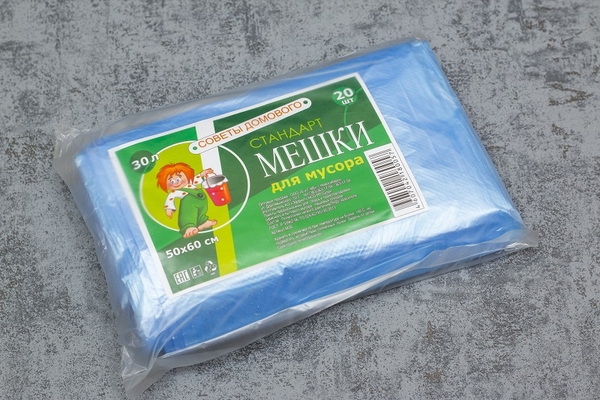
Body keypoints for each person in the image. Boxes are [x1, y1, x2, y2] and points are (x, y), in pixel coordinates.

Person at [156, 162, 217, 238]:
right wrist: (169, 208)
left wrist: (202, 174)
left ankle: (203, 222)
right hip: (188, 204)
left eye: (178, 179)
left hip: (201, 201)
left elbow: (196, 179)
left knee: (201, 212)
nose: (176, 183)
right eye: (172, 181)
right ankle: (188, 227)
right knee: (188, 214)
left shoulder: (190, 182)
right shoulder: (175, 192)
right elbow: (170, 199)